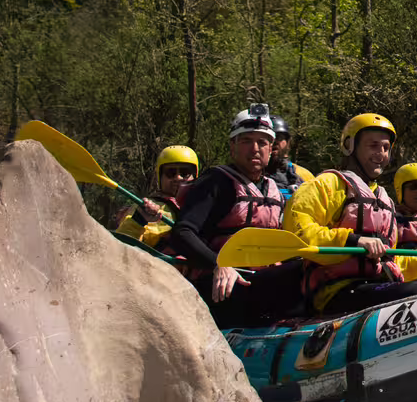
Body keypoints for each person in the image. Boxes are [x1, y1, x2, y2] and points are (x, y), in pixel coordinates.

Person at [289, 114, 417, 317]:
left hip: (378, 284)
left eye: (385, 148)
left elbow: (395, 263)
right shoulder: (327, 184)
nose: (381, 154)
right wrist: (353, 240)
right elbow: (298, 232)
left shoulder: (384, 200)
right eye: (373, 145)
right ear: (349, 145)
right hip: (336, 291)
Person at [169, 104, 306, 327]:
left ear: (271, 149)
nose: (255, 148)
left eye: (262, 142)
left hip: (264, 279)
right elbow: (182, 233)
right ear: (232, 147)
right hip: (224, 284)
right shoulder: (216, 182)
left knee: (312, 269)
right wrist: (218, 264)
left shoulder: (274, 189)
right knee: (301, 274)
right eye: (246, 141)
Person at [115, 144, 199, 252]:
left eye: (185, 173)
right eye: (170, 173)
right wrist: (139, 219)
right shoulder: (144, 207)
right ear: (160, 177)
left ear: (195, 176)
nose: (178, 177)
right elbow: (121, 245)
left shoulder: (202, 207)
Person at [265, 116, 313, 199]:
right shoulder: (250, 174)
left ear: (288, 142)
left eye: (279, 137)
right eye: (268, 138)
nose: (274, 141)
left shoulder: (304, 175)